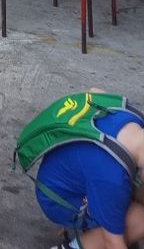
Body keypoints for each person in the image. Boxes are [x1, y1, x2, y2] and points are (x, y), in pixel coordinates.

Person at [34, 100, 144, 249]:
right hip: (59, 198)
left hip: (65, 172)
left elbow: (95, 91)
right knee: (139, 220)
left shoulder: (133, 121)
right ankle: (74, 246)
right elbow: (113, 243)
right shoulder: (112, 179)